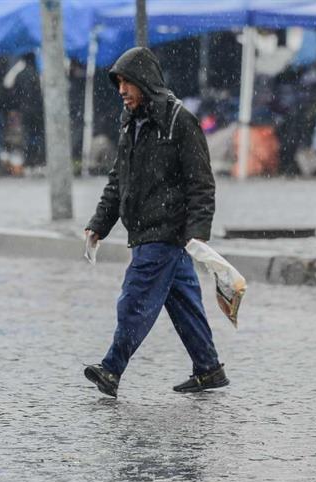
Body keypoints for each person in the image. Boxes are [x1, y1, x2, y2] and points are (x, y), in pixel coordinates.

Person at [83, 47, 228, 397]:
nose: (121, 90)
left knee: (135, 299)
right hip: (150, 231)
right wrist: (98, 224)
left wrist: (197, 234)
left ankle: (112, 369)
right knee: (185, 303)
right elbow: (119, 180)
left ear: (144, 82)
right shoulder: (130, 123)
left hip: (164, 232)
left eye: (126, 82)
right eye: (118, 83)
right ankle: (208, 370)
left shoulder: (179, 121)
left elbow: (201, 183)